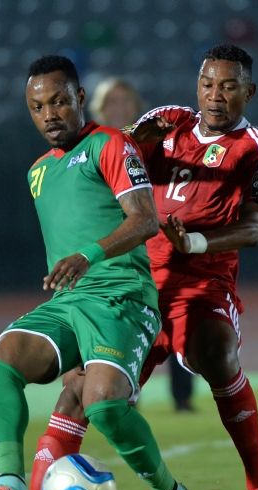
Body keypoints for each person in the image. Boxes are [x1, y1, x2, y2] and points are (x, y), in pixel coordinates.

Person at [0, 44, 258, 490]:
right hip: (137, 279)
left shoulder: (255, 149)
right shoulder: (168, 121)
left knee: (216, 352)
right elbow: (121, 157)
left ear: (250, 91)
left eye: (228, 86)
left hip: (201, 281)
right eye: (207, 84)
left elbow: (255, 227)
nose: (215, 96)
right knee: (78, 397)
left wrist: (194, 242)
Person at [0, 55, 197, 490]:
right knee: (0, 361)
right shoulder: (37, 172)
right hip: (68, 303)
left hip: (122, 298)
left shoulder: (110, 144)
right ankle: (9, 483)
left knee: (103, 406)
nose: (50, 114)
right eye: (38, 106)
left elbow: (145, 220)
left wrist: (88, 255)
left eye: (59, 101)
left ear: (80, 98)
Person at [89, 76, 196, 412]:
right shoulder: (91, 147)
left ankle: (182, 397)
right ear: (99, 109)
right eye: (112, 102)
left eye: (126, 101)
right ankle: (124, 396)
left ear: (137, 107)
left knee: (175, 317)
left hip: (158, 245)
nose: (120, 107)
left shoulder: (153, 144)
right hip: (114, 251)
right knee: (123, 325)